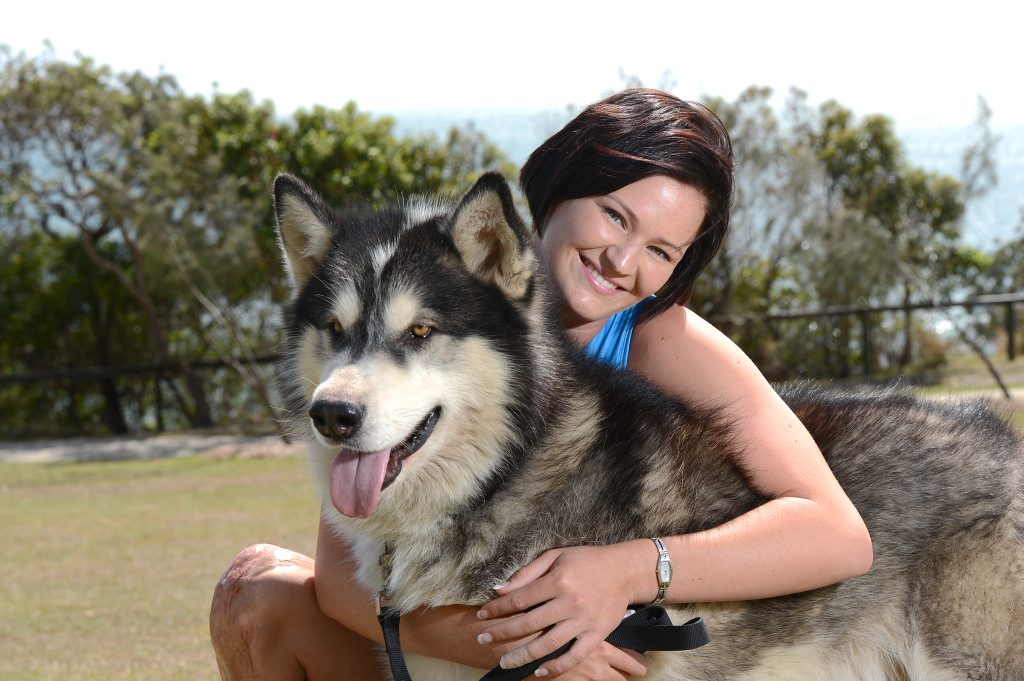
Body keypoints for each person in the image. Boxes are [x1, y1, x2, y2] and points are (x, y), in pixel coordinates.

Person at [210, 88, 873, 681]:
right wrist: (507, 641)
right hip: (443, 640)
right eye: (616, 216)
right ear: (559, 190)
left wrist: (632, 568)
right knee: (255, 594)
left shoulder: (665, 339)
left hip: (618, 631)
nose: (623, 260)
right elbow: (342, 580)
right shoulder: (443, 275)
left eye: (661, 252)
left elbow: (837, 534)